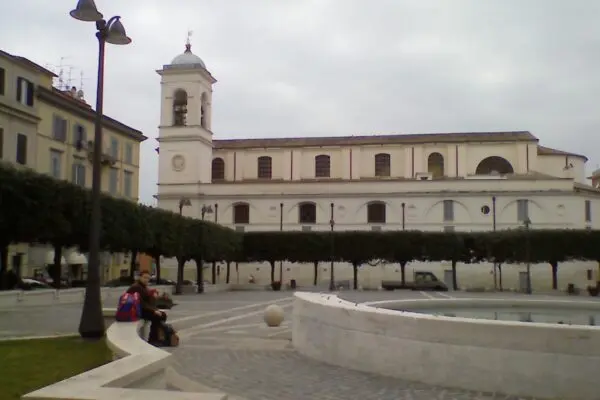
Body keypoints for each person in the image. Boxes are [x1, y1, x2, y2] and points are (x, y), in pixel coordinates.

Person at [126, 271, 166, 344]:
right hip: (137, 310)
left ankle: (155, 337)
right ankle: (153, 339)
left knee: (162, 315)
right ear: (140, 277)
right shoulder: (136, 287)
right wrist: (153, 311)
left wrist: (154, 298)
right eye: (144, 277)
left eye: (148, 278)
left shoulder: (143, 287)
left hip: (143, 309)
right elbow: (141, 302)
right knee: (157, 316)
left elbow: (148, 301)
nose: (146, 280)